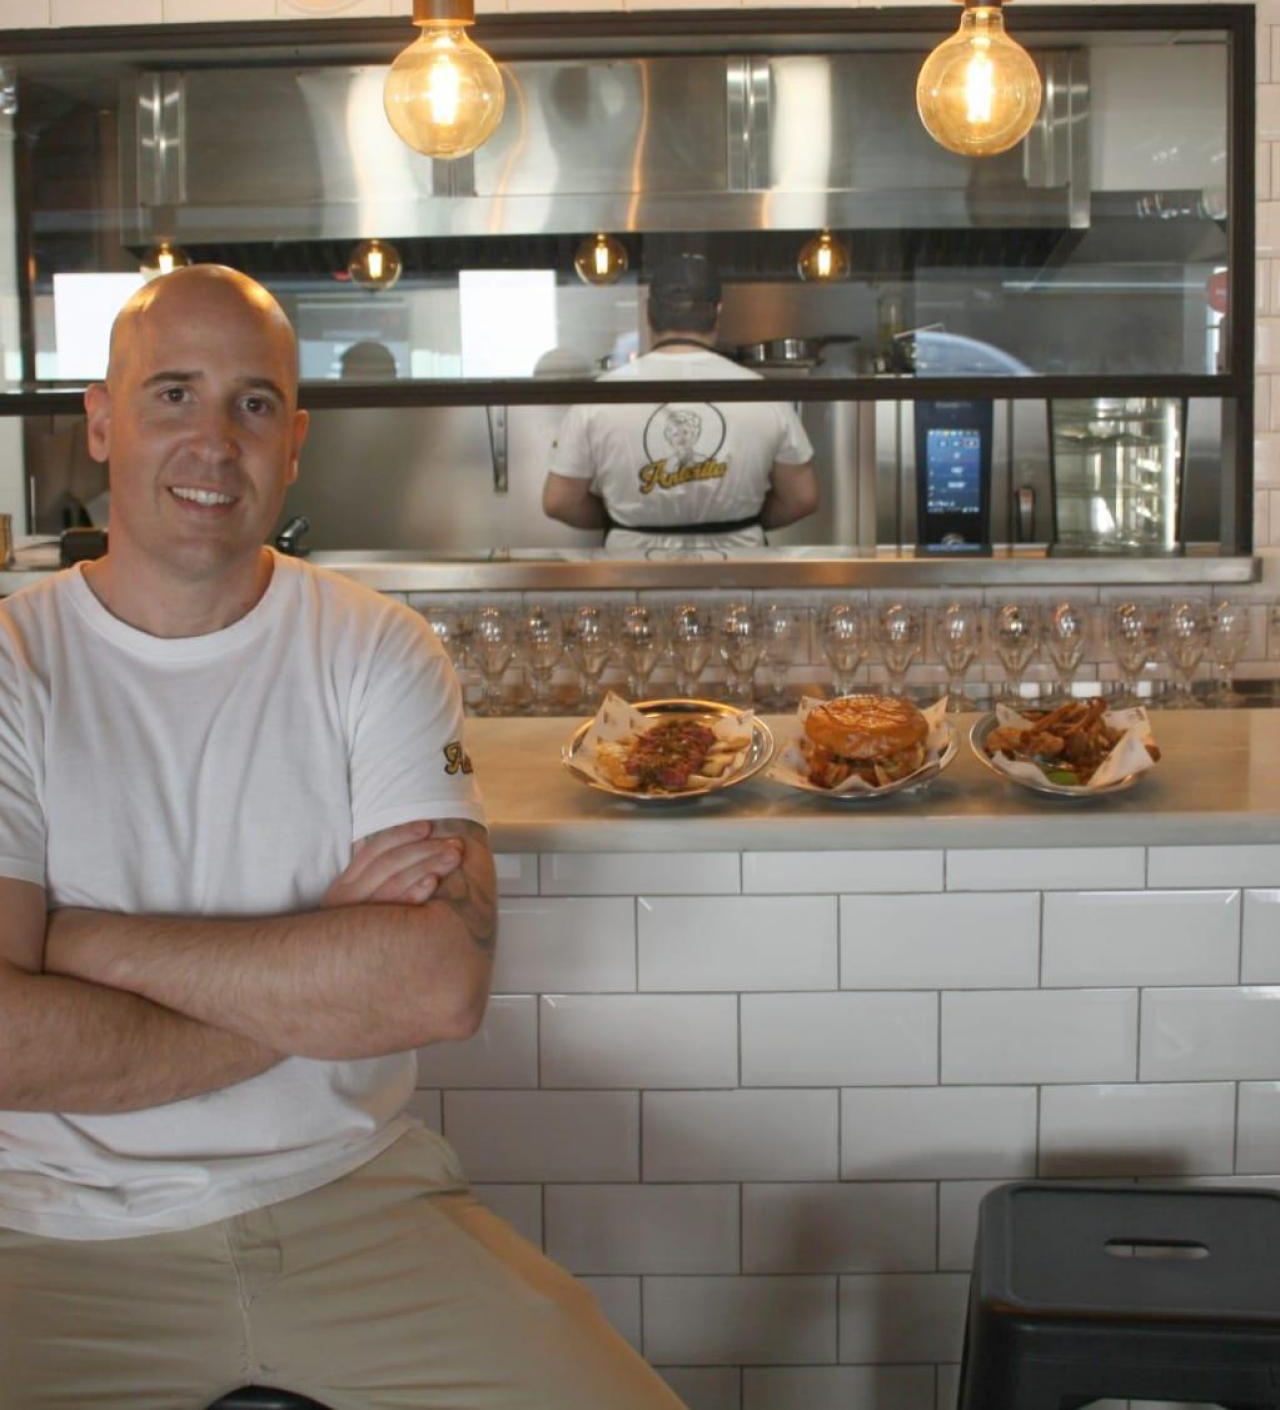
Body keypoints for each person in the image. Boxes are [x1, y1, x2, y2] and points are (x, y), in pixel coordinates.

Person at [0, 266, 681, 1410]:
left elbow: (433, 986)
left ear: (296, 437)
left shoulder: (377, 648)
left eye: (253, 402)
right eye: (173, 393)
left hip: (354, 1194)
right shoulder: (17, 663)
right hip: (52, 1232)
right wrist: (321, 964)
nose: (215, 439)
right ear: (102, 421)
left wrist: (74, 943)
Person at [543, 253, 820, 554]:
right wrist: (744, 521)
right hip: (739, 572)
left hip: (631, 573)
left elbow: (560, 501)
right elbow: (801, 498)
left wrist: (621, 520)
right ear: (717, 311)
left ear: (650, 314)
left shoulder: (598, 399)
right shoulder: (764, 396)